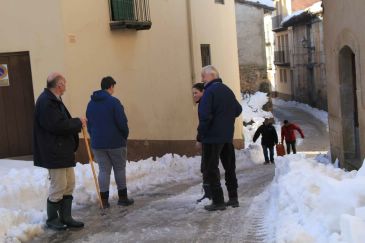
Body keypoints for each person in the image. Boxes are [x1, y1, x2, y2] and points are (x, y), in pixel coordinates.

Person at [33, 72, 86, 230]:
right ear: (59, 85)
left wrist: (75, 123)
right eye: (65, 84)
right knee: (58, 186)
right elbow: (57, 126)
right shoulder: (46, 102)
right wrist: (77, 122)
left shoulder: (55, 100)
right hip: (54, 152)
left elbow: (61, 122)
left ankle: (66, 216)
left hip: (63, 151)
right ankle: (52, 219)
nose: (66, 87)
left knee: (69, 184)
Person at [198, 65, 242, 211]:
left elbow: (204, 115)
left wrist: (201, 134)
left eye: (203, 76)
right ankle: (233, 198)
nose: (202, 79)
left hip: (212, 137)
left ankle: (218, 201)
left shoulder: (209, 92)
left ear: (211, 76)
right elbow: (238, 110)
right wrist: (225, 118)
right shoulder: (227, 90)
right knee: (229, 167)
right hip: (227, 136)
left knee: (211, 168)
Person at [86, 76, 133, 209]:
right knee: (119, 168)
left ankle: (104, 201)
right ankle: (123, 197)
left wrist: (94, 136)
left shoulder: (91, 103)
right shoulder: (114, 102)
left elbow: (89, 124)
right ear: (110, 86)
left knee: (103, 170)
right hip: (115, 142)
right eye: (113, 87)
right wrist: (124, 135)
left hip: (98, 143)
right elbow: (122, 122)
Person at [192, 82, 211, 203]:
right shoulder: (203, 104)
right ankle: (209, 193)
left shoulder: (204, 104)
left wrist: (199, 139)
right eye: (193, 93)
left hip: (208, 139)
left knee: (207, 167)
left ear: (203, 92)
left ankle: (209, 194)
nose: (194, 95)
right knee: (206, 167)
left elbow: (204, 123)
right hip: (208, 138)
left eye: (196, 93)